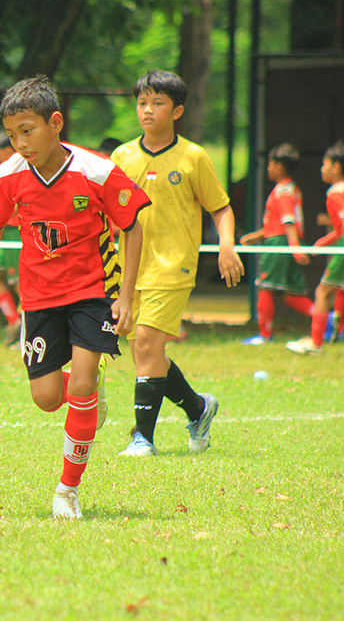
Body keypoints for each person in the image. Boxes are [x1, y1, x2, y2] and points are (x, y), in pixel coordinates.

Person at [0, 75, 148, 520]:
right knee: (46, 397)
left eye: (28, 131)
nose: (19, 143)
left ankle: (67, 490)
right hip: (39, 296)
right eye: (11, 135)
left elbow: (133, 226)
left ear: (55, 123)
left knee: (81, 381)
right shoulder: (7, 177)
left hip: (92, 290)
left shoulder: (96, 170)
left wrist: (125, 296)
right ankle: (89, 400)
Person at [110, 69, 244, 457]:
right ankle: (199, 408)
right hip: (130, 269)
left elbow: (220, 207)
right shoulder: (122, 156)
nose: (148, 111)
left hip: (174, 267)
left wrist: (227, 246)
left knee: (149, 345)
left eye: (158, 103)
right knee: (145, 355)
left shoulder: (193, 157)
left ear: (178, 110)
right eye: (142, 103)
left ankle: (142, 438)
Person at [239, 143, 314, 344]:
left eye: (270, 165)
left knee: (265, 286)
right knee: (287, 293)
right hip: (282, 240)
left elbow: (288, 222)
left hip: (280, 244)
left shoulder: (283, 191)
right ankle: (323, 317)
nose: (268, 169)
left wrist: (294, 247)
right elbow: (279, 222)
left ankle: (265, 335)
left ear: (279, 166)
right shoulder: (290, 189)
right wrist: (258, 235)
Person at [286, 140, 344, 354]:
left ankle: (315, 343)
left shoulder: (335, 192)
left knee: (323, 291)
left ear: (336, 167)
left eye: (324, 164)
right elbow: (339, 230)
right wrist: (321, 243)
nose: (322, 169)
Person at [0, 131, 23, 345]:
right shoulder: (3, 171)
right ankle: (13, 320)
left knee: (19, 284)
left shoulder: (22, 170)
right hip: (3, 233)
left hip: (16, 233)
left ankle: (25, 331)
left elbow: (14, 204)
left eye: (1, 153)